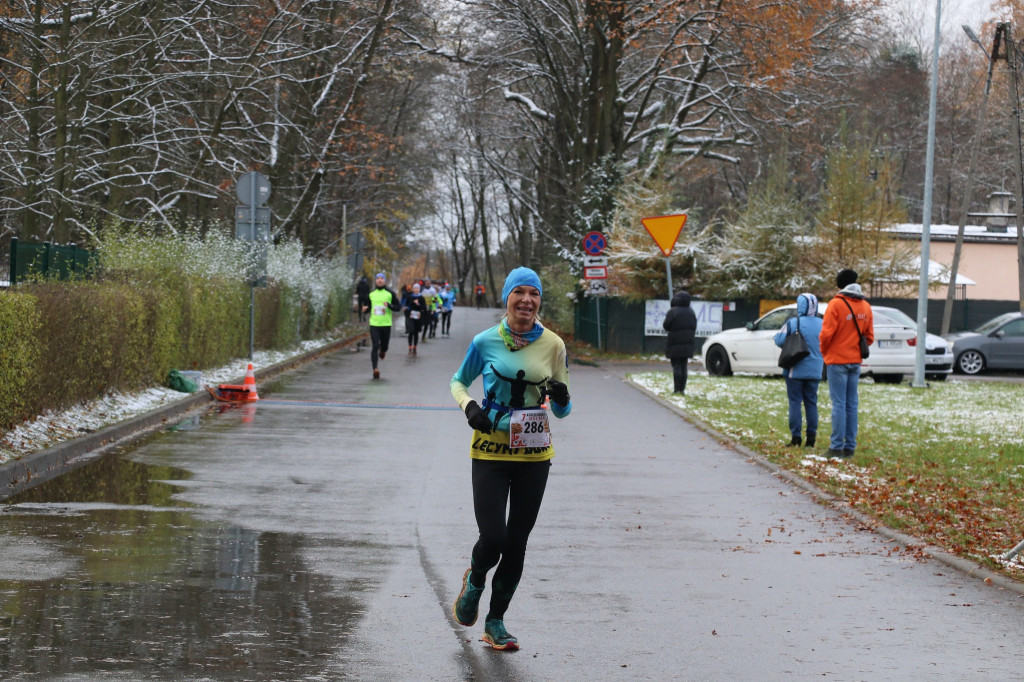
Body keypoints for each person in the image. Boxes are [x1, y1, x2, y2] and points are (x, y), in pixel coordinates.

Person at [449, 266, 572, 651]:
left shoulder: (554, 345)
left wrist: (563, 398)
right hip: (489, 451)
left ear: (539, 301)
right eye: (519, 292)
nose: (527, 300)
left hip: (535, 454)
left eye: (533, 294)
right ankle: (474, 579)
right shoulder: (485, 341)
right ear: (507, 299)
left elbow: (564, 410)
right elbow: (457, 381)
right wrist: (469, 406)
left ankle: (496, 622)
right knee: (495, 537)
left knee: (517, 543)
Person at [819, 270, 873, 460]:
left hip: (837, 360)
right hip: (855, 361)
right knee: (851, 404)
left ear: (840, 285)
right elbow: (869, 337)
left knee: (839, 404)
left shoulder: (836, 304)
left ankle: (836, 447)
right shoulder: (865, 306)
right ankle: (850, 446)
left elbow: (826, 334)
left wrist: (825, 352)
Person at [773, 293, 824, 447]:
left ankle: (796, 438)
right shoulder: (823, 323)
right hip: (815, 370)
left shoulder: (794, 322)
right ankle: (811, 438)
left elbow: (779, 340)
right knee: (811, 403)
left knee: (795, 403)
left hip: (795, 369)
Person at [363, 273, 401, 379]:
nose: (380, 280)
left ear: (385, 281)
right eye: (378, 278)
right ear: (375, 281)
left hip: (386, 324)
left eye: (382, 278)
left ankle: (383, 350)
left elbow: (398, 307)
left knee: (384, 346)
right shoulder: (371, 294)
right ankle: (375, 369)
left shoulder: (390, 293)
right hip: (374, 324)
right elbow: (368, 306)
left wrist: (389, 305)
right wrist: (365, 310)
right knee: (375, 346)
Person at [662, 290, 697, 394]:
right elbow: (694, 327)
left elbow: (666, 326)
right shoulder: (691, 312)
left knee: (676, 366)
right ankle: (682, 389)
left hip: (675, 343)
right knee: (683, 366)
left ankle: (677, 389)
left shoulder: (673, 312)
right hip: (687, 343)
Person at [403, 283, 427, 355]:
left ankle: (415, 346)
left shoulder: (421, 298)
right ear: (413, 289)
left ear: (419, 289)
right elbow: (406, 305)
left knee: (416, 332)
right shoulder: (409, 297)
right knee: (411, 331)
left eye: (417, 288)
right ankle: (410, 346)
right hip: (411, 317)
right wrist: (406, 309)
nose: (416, 290)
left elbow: (424, 308)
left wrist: (418, 304)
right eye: (415, 288)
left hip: (418, 317)